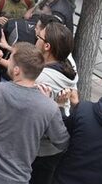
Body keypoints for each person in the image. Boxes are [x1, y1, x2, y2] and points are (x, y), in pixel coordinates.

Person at [0, 43, 70, 184]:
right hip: (17, 178)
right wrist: (53, 106)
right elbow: (62, 142)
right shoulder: (49, 107)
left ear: (17, 71)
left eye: (10, 58)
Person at [30, 22, 77, 184]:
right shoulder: (67, 67)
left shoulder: (41, 79)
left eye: (38, 37)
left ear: (47, 46)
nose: (35, 40)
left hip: (40, 150)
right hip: (53, 148)